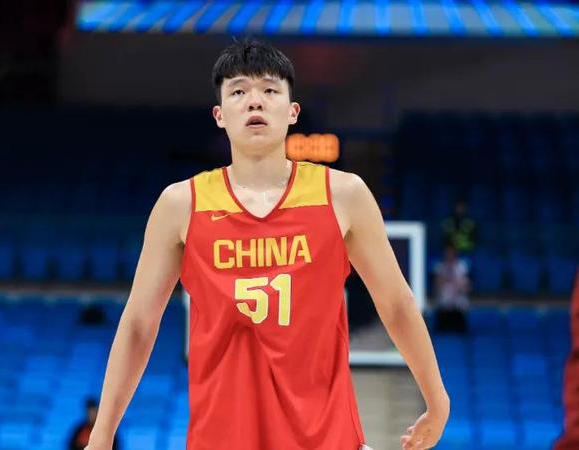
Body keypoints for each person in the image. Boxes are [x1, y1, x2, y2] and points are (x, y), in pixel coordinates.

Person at [84, 38, 449, 450]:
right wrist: (102, 434)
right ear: (219, 115)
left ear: (292, 111)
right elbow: (138, 324)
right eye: (238, 91)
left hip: (328, 439)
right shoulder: (180, 204)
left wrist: (437, 400)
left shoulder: (343, 194)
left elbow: (396, 303)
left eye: (270, 90)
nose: (254, 101)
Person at [433, 244, 471, 333]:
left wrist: (456, 282)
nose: (449, 255)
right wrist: (445, 278)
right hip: (443, 306)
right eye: (447, 253)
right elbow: (436, 286)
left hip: (458, 307)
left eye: (451, 253)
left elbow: (467, 286)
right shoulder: (440, 267)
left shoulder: (462, 267)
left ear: (455, 254)